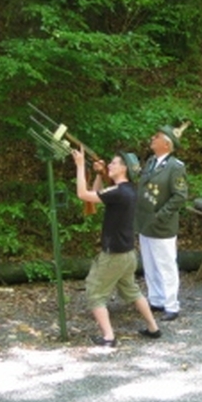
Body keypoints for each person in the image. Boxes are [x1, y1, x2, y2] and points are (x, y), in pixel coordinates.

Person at [72, 147, 162, 347]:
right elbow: (98, 194)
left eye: (114, 163)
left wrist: (80, 165)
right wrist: (99, 174)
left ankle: (108, 337)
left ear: (124, 169)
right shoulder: (129, 190)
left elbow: (83, 194)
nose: (110, 165)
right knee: (132, 291)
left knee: (95, 293)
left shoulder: (118, 192)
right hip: (128, 253)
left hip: (113, 255)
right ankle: (153, 328)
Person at [136, 125, 188, 321]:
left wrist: (162, 215)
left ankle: (171, 305)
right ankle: (156, 299)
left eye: (156, 136)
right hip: (145, 222)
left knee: (165, 265)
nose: (152, 138)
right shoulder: (151, 162)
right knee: (150, 264)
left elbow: (180, 195)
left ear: (166, 144)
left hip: (162, 225)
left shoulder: (175, 167)